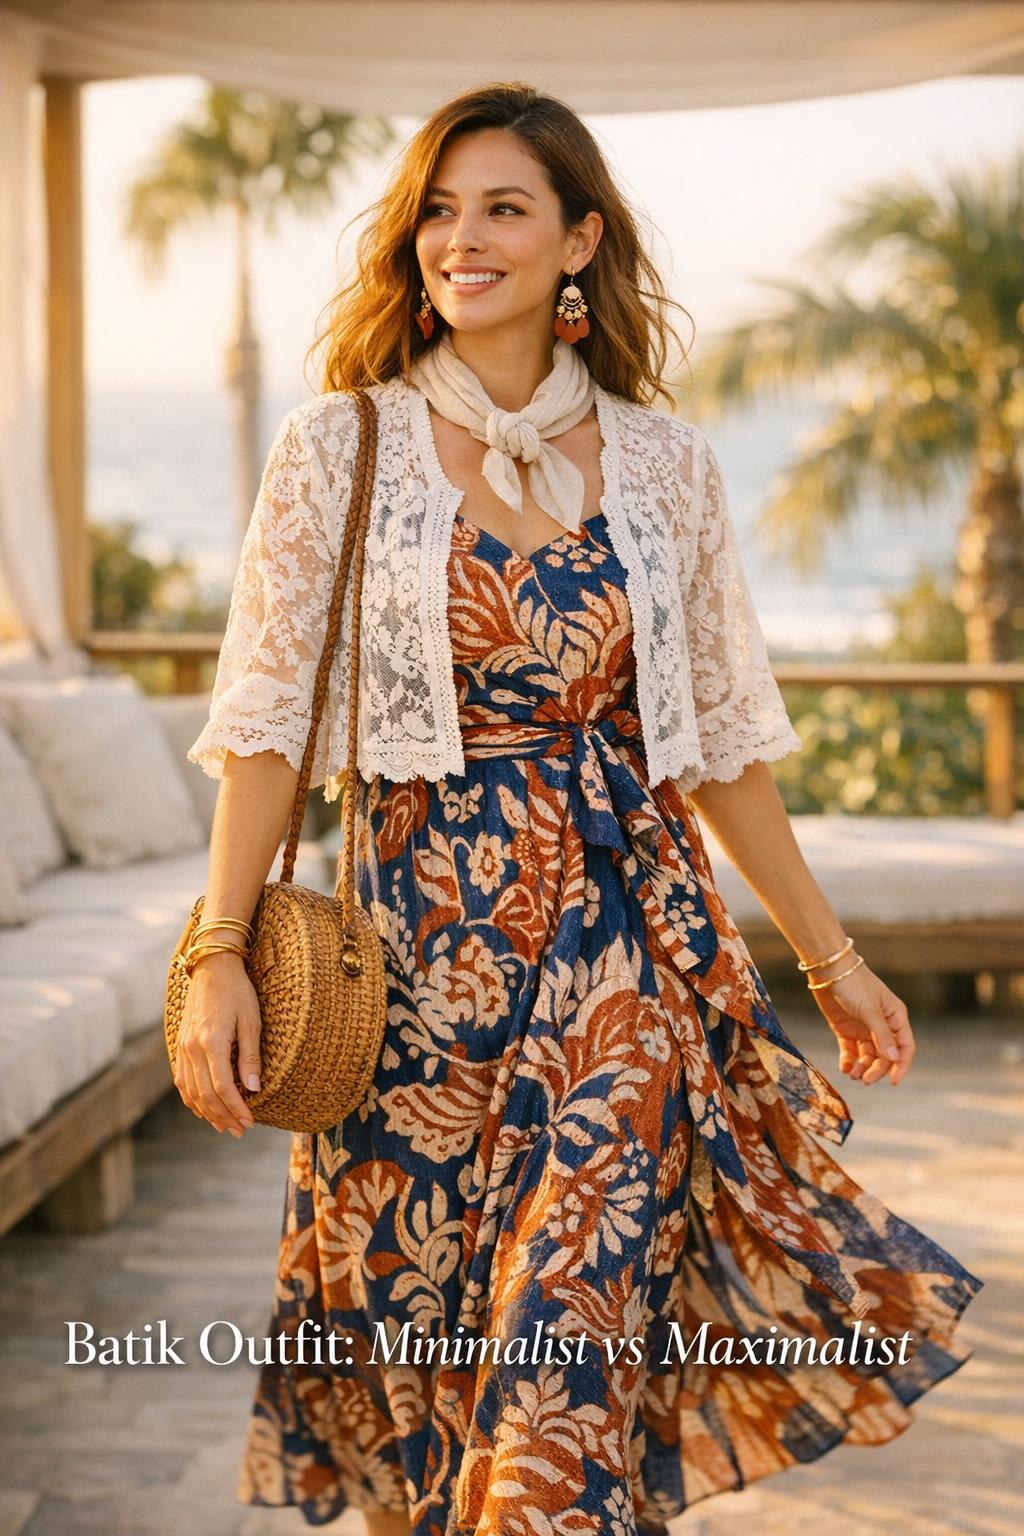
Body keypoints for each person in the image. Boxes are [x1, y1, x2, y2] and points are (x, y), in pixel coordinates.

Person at [178, 81, 982, 1536]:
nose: (460, 238)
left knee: (561, 1389)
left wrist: (830, 955)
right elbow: (264, 732)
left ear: (576, 245)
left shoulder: (669, 468)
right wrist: (215, 955)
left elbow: (723, 744)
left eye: (503, 209)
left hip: (620, 960)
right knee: (429, 1398)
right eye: (437, 208)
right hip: (404, 983)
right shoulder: (336, 449)